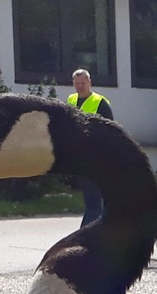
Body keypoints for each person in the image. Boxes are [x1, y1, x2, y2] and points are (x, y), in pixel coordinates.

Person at [66, 69, 114, 227]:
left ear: (90, 83)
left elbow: (110, 130)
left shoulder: (100, 103)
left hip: (96, 157)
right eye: (77, 83)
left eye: (83, 83)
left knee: (94, 201)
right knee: (91, 200)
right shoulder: (71, 100)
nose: (80, 86)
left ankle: (85, 235)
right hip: (80, 157)